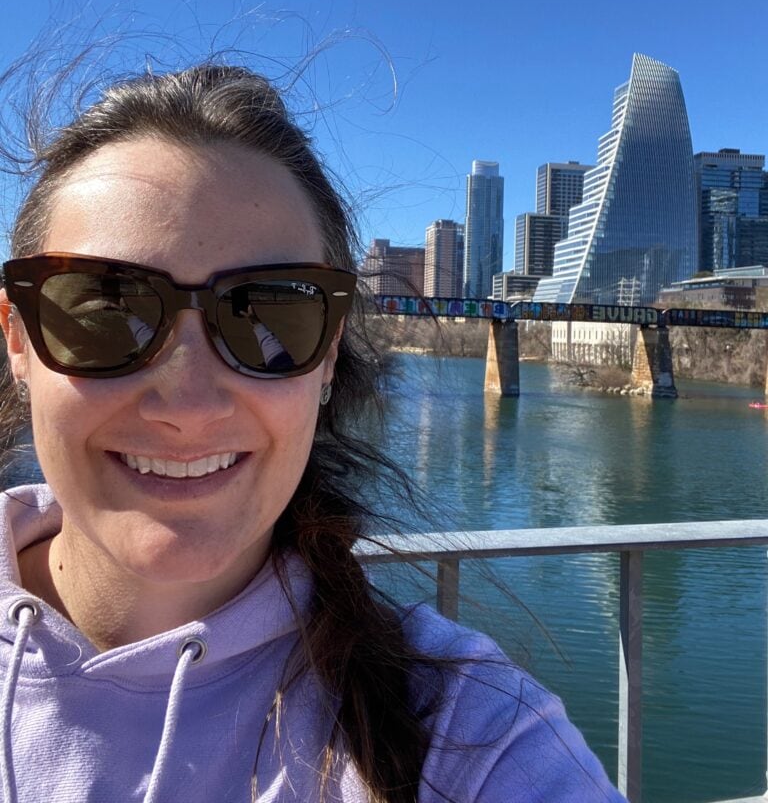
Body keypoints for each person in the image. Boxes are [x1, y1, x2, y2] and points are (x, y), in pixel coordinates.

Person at [0, 63, 627, 802]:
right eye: (106, 312)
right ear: (18, 340)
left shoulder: (465, 733)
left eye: (271, 316)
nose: (189, 404)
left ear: (328, 355)